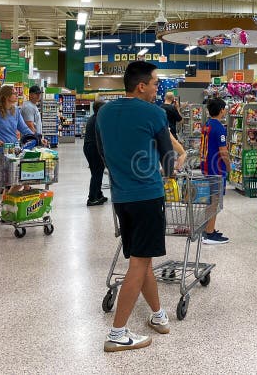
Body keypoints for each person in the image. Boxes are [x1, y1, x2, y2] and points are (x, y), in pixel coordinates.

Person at [96, 61, 176, 353]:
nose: (158, 89)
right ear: (141, 86)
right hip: (147, 195)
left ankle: (157, 314)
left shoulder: (104, 112)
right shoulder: (155, 113)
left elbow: (101, 152)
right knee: (139, 263)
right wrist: (174, 168)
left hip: (122, 198)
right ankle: (117, 333)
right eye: (155, 83)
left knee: (144, 259)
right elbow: (168, 161)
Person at [200, 98, 230, 245]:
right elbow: (223, 152)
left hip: (206, 166)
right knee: (215, 200)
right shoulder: (219, 127)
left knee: (211, 199)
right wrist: (229, 166)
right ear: (221, 110)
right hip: (216, 168)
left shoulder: (206, 125)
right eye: (224, 108)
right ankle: (209, 234)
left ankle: (207, 228)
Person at [84, 100, 108, 206]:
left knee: (97, 172)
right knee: (97, 173)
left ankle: (98, 194)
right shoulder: (99, 119)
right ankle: (92, 198)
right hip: (94, 148)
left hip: (90, 147)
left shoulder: (94, 118)